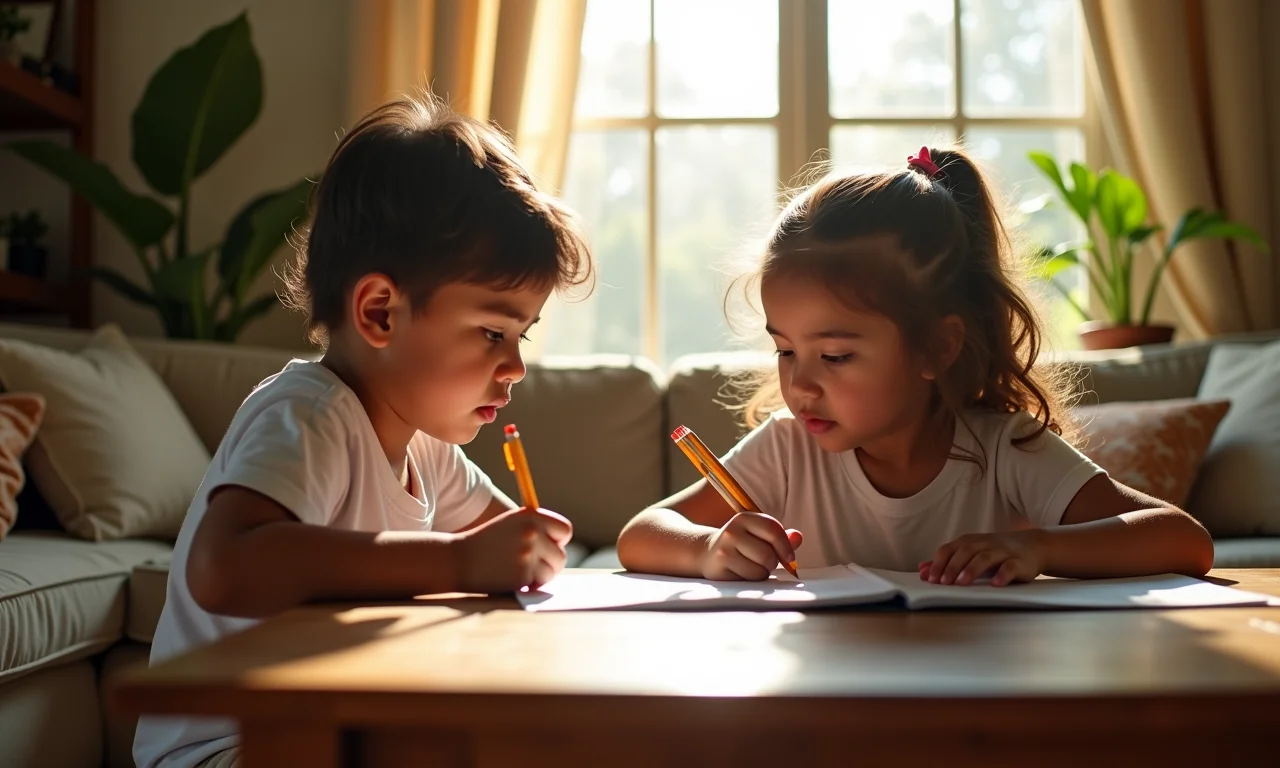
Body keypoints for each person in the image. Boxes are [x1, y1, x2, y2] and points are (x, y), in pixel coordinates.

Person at [134, 94, 593, 768]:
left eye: (522, 335)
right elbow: (221, 567)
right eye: (494, 332)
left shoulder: (427, 446)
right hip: (235, 746)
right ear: (380, 312)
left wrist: (529, 553)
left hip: (329, 725)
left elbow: (513, 543)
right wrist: (460, 563)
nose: (517, 366)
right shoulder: (309, 416)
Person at [617, 146, 1212, 588]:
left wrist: (1037, 549)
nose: (799, 385)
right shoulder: (785, 448)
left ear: (936, 348)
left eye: (835, 356)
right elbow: (642, 533)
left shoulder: (1005, 448)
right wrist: (706, 549)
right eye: (785, 350)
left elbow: (1184, 539)